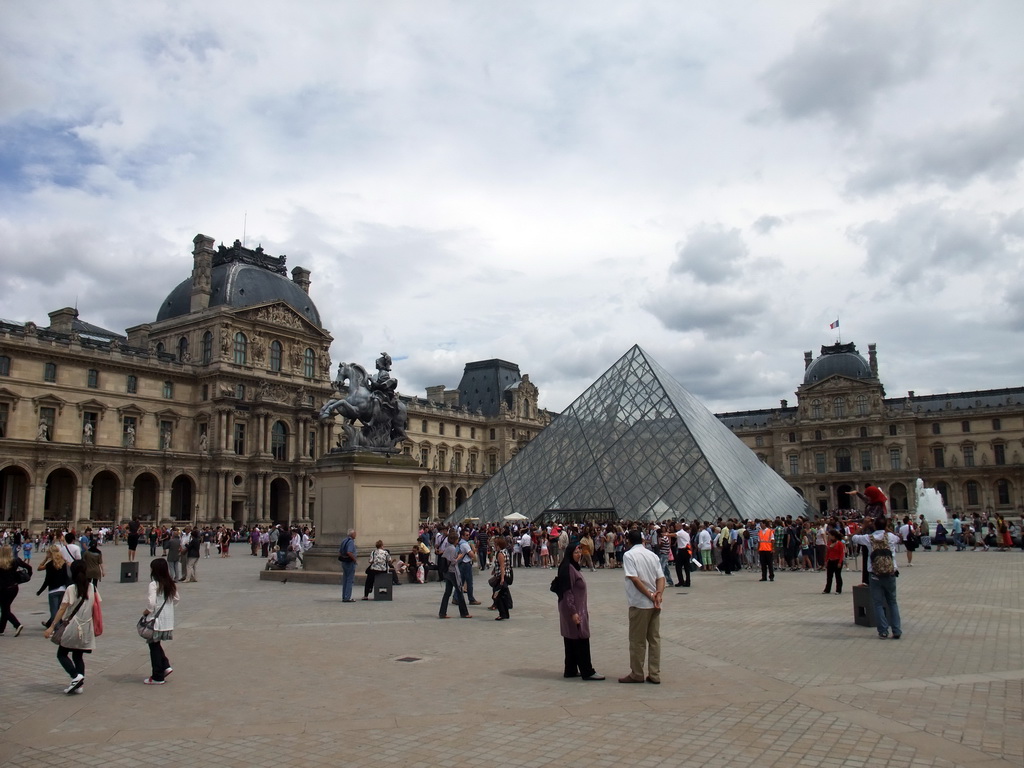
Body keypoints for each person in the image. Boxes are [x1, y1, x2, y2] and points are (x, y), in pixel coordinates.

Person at [552, 542, 604, 680]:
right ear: (570, 553)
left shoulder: (569, 567)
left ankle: (570, 669)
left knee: (570, 638)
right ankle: (587, 671)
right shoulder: (569, 569)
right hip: (573, 608)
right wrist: (574, 612)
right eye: (576, 552)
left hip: (570, 607)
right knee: (581, 638)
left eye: (580, 552)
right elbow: (568, 592)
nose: (579, 554)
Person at [43, 560, 96, 694]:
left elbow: (61, 609)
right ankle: (79, 684)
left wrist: (52, 626)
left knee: (62, 654)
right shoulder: (91, 587)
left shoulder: (71, 588)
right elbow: (96, 606)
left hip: (73, 625)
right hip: (86, 625)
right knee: (78, 656)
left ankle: (75, 676)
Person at [619, 529, 664, 684]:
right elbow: (661, 578)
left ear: (628, 541)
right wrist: (658, 595)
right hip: (655, 604)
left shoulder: (629, 555)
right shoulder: (653, 555)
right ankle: (654, 674)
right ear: (643, 540)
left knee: (637, 641)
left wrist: (650, 595)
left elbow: (635, 579)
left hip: (640, 603)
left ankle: (637, 673)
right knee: (654, 640)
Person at [851, 518, 902, 639]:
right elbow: (899, 539)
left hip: (875, 575)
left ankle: (883, 631)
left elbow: (853, 537)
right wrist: (886, 528)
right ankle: (896, 630)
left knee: (878, 604)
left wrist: (863, 526)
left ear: (873, 526)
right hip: (890, 573)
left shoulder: (868, 538)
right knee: (892, 602)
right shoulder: (890, 537)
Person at [142, 558, 179, 685]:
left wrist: (147, 611)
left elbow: (151, 603)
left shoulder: (154, 584)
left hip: (155, 620)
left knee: (153, 645)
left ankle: (157, 676)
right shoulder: (170, 583)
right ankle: (165, 666)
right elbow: (176, 599)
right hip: (167, 620)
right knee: (155, 644)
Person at [37, 544, 71, 629]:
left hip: (53, 591)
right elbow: (67, 577)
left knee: (53, 611)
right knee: (60, 610)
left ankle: (56, 629)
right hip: (63, 590)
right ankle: (59, 628)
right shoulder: (64, 563)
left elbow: (42, 572)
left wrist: (46, 558)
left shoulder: (49, 565)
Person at [438, 532, 471, 619]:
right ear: (455, 540)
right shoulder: (452, 549)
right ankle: (464, 613)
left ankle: (442, 612)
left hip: (447, 573)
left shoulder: (447, 548)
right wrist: (460, 557)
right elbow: (453, 562)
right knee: (460, 591)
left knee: (447, 593)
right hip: (453, 572)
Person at [0, 544, 29, 636]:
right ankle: (1, 629)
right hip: (14, 588)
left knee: (5, 609)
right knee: (6, 607)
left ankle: (17, 624)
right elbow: (29, 567)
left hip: (3, 588)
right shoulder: (16, 561)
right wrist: (27, 576)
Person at [456, 529, 480, 606]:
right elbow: (472, 555)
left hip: (461, 564)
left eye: (468, 534)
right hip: (466, 564)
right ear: (462, 536)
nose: (468, 536)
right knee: (469, 582)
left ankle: (455, 597)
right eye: (466, 535)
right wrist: (473, 549)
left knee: (461, 582)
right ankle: (471, 599)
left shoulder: (459, 543)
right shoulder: (465, 544)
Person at [490, 535, 512, 621]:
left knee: (496, 595)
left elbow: (502, 566)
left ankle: (502, 614)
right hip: (506, 575)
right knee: (502, 595)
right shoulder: (505, 551)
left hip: (501, 577)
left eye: (495, 544)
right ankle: (505, 613)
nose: (494, 546)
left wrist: (502, 579)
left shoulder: (500, 554)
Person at [822, 529, 845, 594]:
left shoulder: (840, 543)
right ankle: (827, 589)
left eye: (830, 535)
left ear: (833, 536)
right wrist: (826, 561)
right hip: (830, 561)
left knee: (838, 576)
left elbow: (841, 553)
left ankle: (838, 590)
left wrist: (840, 562)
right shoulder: (829, 543)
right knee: (829, 576)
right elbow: (828, 553)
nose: (829, 536)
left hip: (837, 560)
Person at [338, 530, 358, 602]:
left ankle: (344, 596)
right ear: (352, 534)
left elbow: (340, 552)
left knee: (345, 580)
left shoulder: (344, 541)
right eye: (355, 533)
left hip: (344, 562)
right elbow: (349, 552)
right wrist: (354, 559)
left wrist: (343, 557)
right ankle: (347, 597)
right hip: (350, 563)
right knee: (350, 580)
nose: (356, 535)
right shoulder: (351, 542)